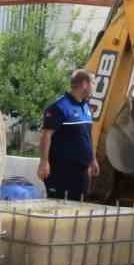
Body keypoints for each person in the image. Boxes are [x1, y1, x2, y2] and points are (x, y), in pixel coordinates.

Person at [38, 69, 100, 201]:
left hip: (81, 172)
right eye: (93, 82)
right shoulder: (59, 107)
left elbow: (87, 137)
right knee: (58, 209)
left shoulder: (86, 107)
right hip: (61, 171)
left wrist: (93, 159)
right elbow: (46, 135)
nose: (95, 86)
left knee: (78, 211)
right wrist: (44, 162)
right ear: (84, 84)